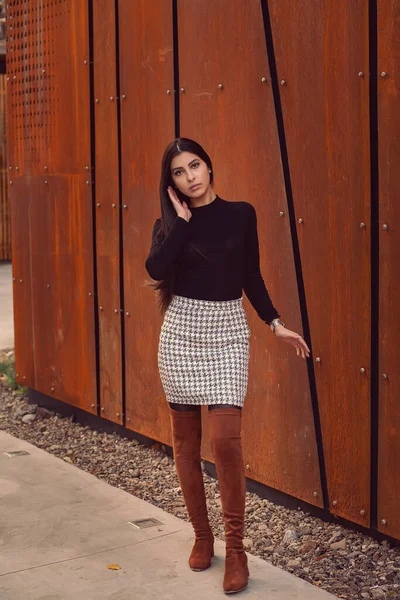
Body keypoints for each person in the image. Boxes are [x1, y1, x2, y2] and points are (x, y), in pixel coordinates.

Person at [145, 138, 310, 594]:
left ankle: (236, 550)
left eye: (195, 165)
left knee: (225, 443)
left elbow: (250, 274)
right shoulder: (169, 224)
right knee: (185, 445)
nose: (190, 176)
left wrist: (274, 323)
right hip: (180, 334)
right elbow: (157, 268)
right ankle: (202, 536)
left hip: (227, 335)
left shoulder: (241, 213)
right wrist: (179, 223)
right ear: (172, 182)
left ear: (209, 166)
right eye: (179, 172)